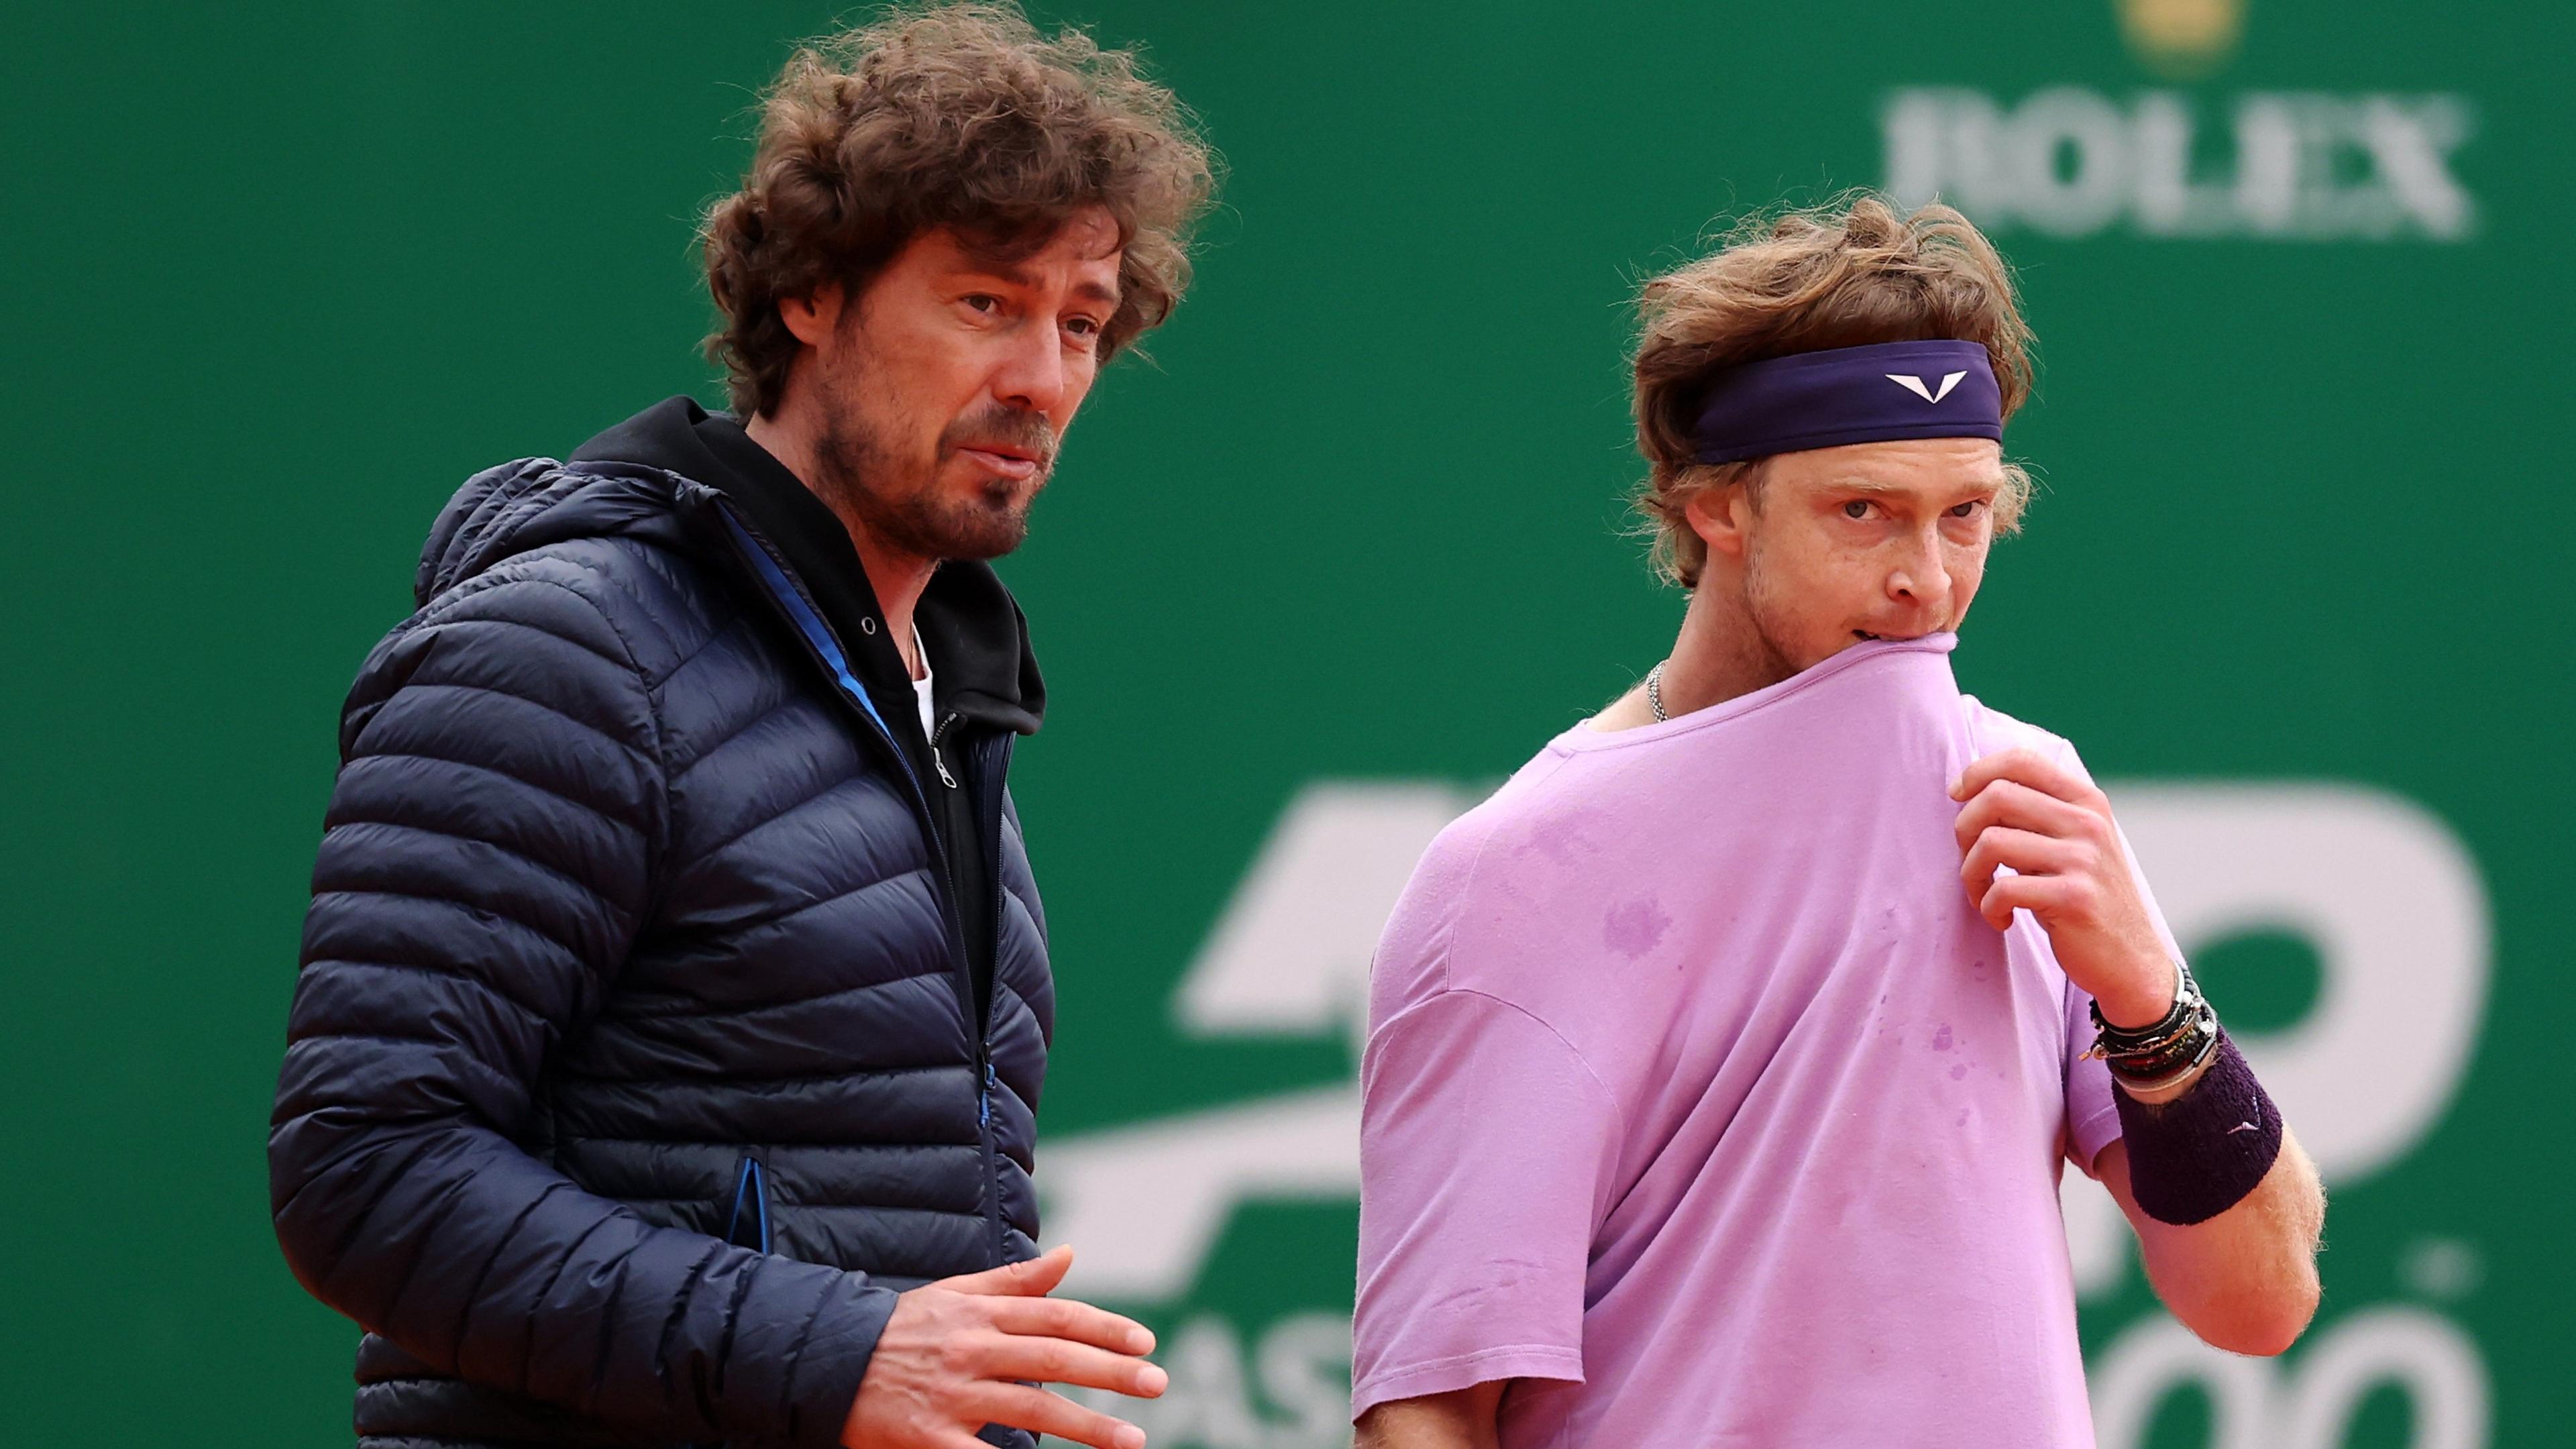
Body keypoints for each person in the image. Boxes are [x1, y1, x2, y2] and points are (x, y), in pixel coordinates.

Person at [268, 8, 1212, 1448]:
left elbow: (899, 1273)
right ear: (811, 297)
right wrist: (836, 1353)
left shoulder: (945, 697)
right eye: (983, 304)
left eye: (1079, 324)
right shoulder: (566, 649)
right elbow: (366, 1170)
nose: (1043, 378)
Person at [1350, 196, 2326, 1449]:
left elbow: (2261, 1302)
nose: (1927, 578)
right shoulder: (1511, 879)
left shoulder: (2024, 796)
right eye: (1863, 512)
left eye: (1964, 514)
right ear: (1718, 506)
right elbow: (1428, 1412)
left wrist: (2147, 993)